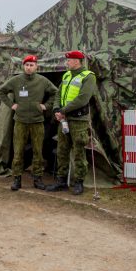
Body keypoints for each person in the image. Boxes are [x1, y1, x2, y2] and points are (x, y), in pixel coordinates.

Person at [0, 54, 57, 191]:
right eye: (26, 65)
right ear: (23, 66)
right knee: (18, 151)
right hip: (20, 121)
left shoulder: (43, 81)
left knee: (38, 151)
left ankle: (37, 179)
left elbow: (56, 92)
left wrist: (46, 106)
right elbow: (1, 91)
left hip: (37, 122)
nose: (29, 68)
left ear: (36, 67)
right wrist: (11, 105)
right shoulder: (16, 80)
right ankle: (17, 178)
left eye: (31, 65)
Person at [47, 50, 97, 195]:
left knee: (79, 151)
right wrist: (57, 108)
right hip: (64, 120)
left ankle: (79, 182)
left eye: (69, 60)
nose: (66, 63)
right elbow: (58, 93)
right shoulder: (67, 75)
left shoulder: (88, 76)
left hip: (78, 120)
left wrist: (63, 110)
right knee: (62, 150)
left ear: (76, 61)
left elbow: (83, 98)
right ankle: (61, 181)